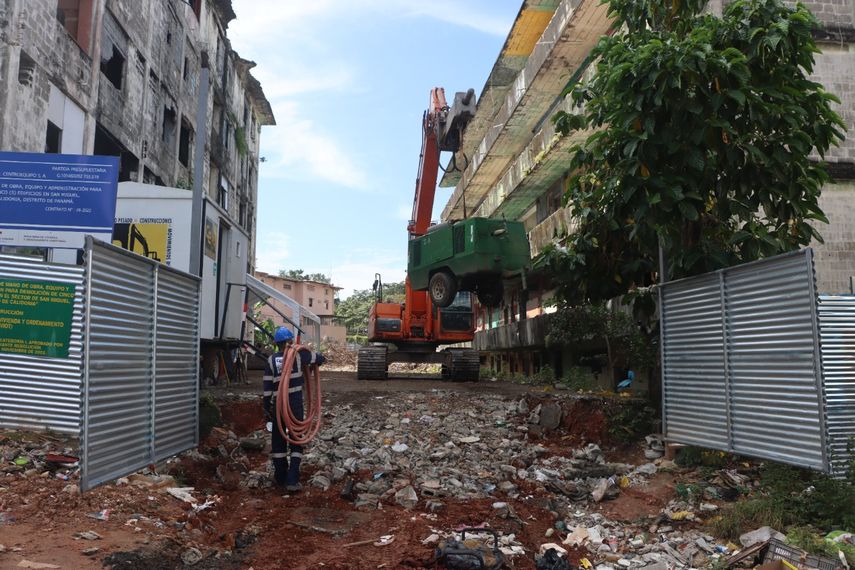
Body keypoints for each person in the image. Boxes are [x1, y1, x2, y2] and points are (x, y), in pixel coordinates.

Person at [262, 326, 325, 491]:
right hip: (294, 402)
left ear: (276, 343)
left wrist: (266, 407)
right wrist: (320, 358)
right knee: (297, 439)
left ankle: (280, 477)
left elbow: (267, 388)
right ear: (290, 341)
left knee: (278, 440)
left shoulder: (271, 360)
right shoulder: (299, 355)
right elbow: (318, 358)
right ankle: (292, 479)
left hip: (278, 405)